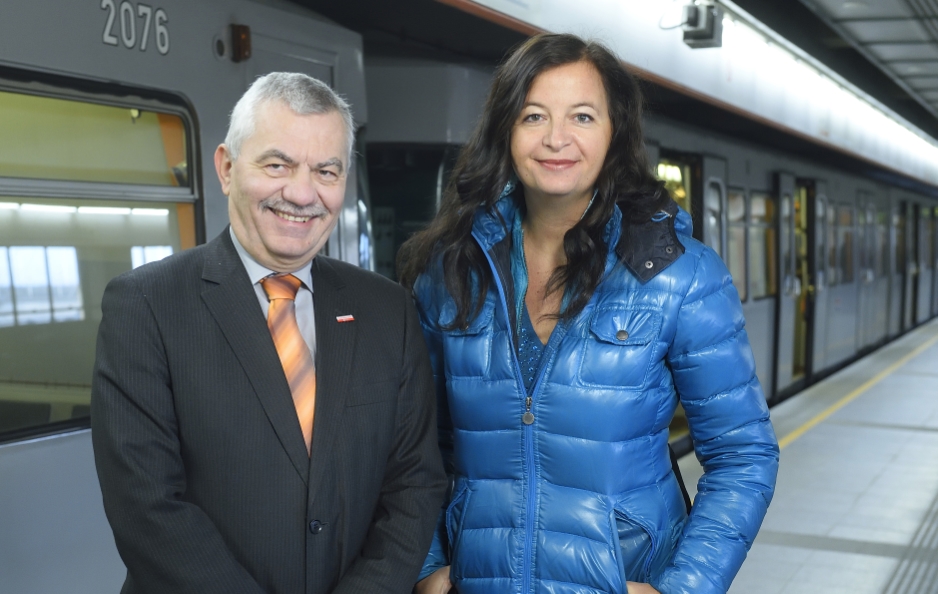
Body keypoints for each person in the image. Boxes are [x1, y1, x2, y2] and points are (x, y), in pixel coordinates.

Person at [399, 34, 779, 594]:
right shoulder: (450, 271)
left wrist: (685, 587)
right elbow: (416, 446)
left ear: (614, 132)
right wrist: (429, 564)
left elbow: (743, 455)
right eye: (533, 116)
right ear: (506, 130)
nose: (556, 139)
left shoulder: (681, 277)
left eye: (582, 116)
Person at [91, 72, 447, 594]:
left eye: (326, 171)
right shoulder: (147, 305)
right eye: (277, 164)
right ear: (227, 168)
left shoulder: (387, 309)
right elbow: (146, 507)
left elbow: (415, 482)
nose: (302, 194)